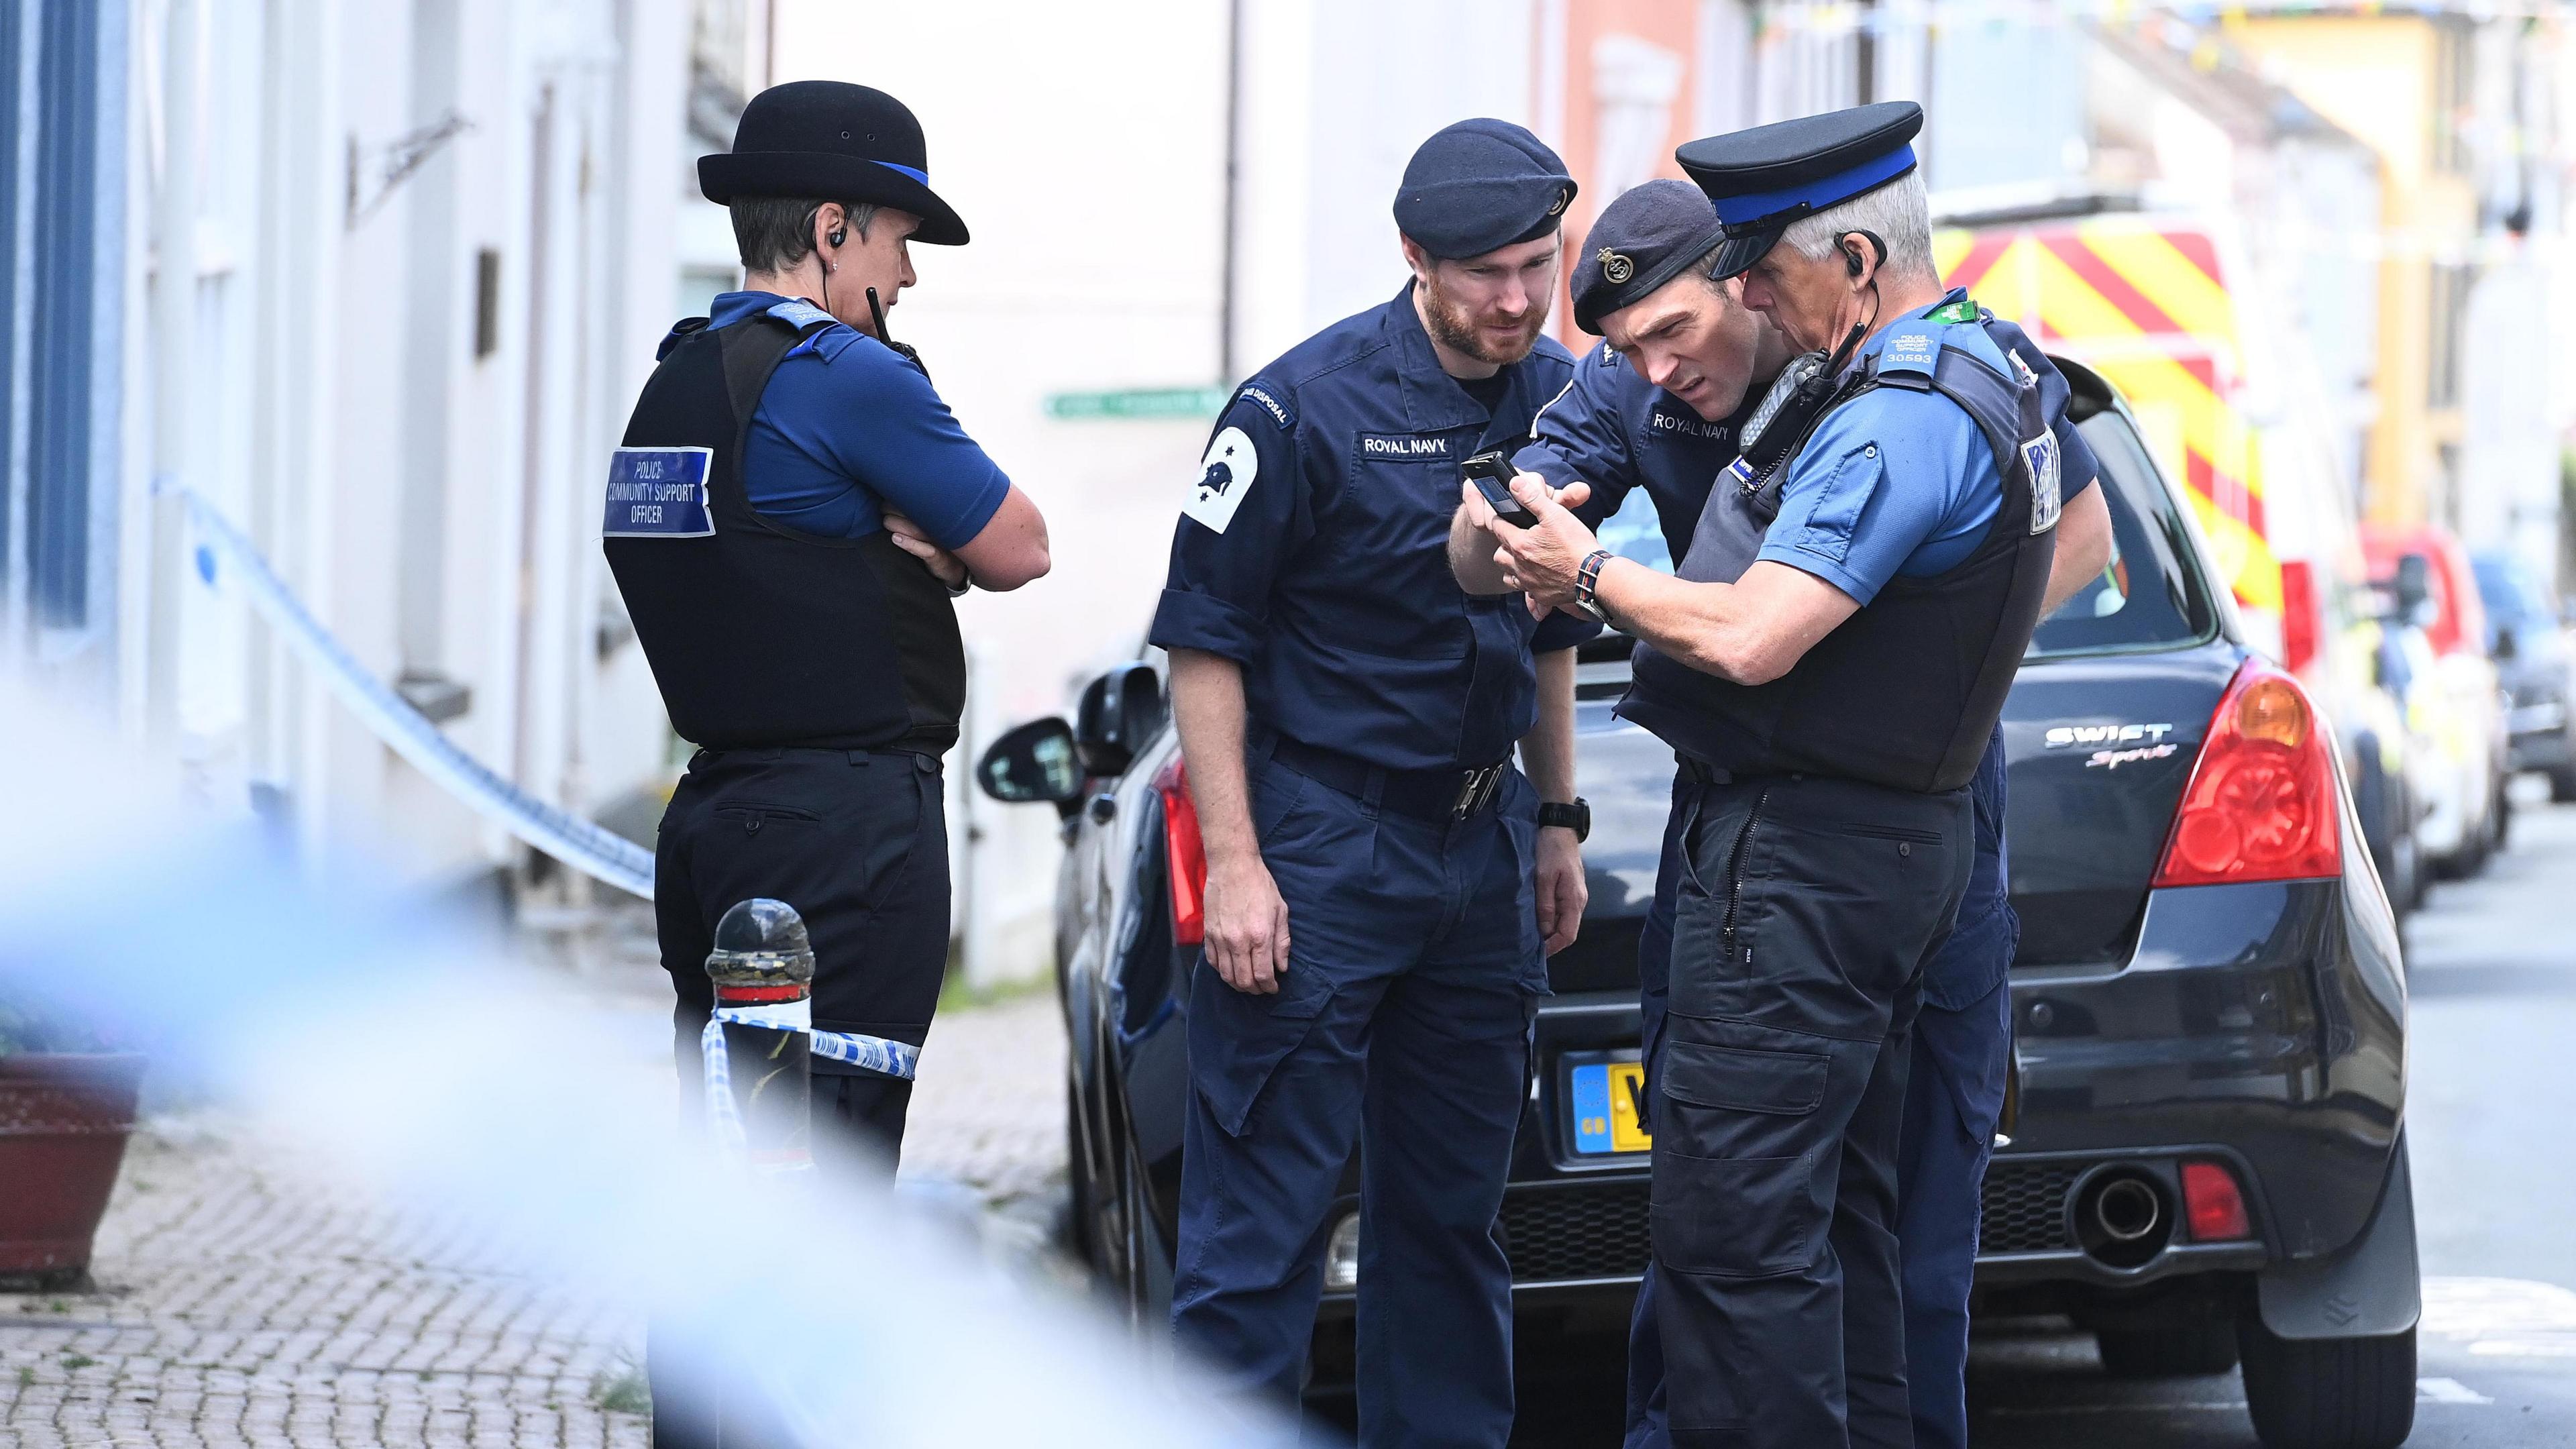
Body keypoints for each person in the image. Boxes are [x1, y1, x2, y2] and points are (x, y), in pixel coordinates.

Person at [1470, 101, 2080, 1448]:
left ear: (1856, 262)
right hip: (1874, 836)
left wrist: (1592, 574)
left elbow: (1751, 635)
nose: (1748, 293)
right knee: (1842, 1220)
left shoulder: (1892, 415)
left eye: (1760, 274)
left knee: (1745, 1239)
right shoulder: (1984, 363)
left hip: (1816, 854)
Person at [601, 79, 1050, 1446]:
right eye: (899, 241)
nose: (906, 277)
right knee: (834, 1180)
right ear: (834, 228)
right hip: (848, 835)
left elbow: (731, 561)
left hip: (719, 818)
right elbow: (1021, 546)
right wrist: (915, 544)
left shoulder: (679, 376)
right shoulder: (842, 372)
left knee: (730, 1166)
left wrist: (883, 544)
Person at [1150, 119, 1596, 1446]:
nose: (1516, 300)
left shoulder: (1566, 395)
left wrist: (1558, 818)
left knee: (1451, 1230)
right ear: (1415, 257)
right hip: (1315, 846)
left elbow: (1555, 624)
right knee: (1259, 1238)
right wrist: (1235, 864)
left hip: (1478, 851)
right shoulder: (1300, 407)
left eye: (1538, 264)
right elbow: (1203, 644)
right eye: (1485, 275)